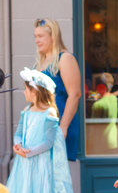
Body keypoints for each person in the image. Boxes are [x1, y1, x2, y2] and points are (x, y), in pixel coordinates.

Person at [33, 18, 83, 161]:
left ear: (53, 36)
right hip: (41, 125)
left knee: (57, 179)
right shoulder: (41, 61)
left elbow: (75, 95)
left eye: (40, 36)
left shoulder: (65, 58)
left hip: (58, 125)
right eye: (35, 36)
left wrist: (63, 128)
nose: (37, 40)